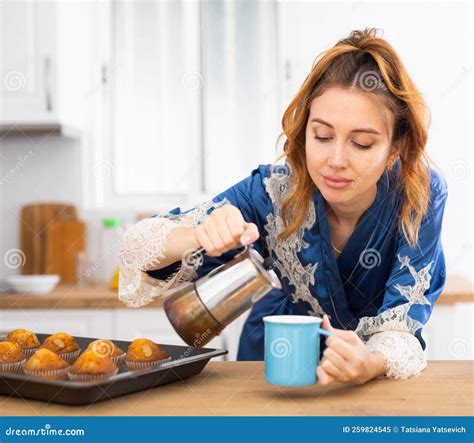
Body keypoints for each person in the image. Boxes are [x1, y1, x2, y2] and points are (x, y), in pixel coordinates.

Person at [118, 28, 447, 385]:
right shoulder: (273, 191)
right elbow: (136, 248)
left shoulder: (419, 195)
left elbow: (403, 320)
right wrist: (198, 233)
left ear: (394, 150)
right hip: (271, 363)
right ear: (304, 131)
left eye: (362, 143)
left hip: (366, 377)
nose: (335, 160)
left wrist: (372, 361)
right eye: (321, 136)